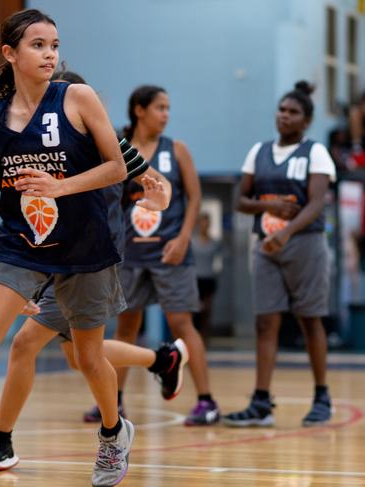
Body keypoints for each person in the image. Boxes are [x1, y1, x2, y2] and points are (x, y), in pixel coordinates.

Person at [0, 10, 157, 487]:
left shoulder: (77, 98)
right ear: (10, 53)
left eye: (54, 45)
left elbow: (117, 170)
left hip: (85, 244)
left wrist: (60, 187)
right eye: (38, 45)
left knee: (88, 358)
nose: (49, 54)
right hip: (21, 241)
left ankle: (112, 433)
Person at [0, 70, 188, 473]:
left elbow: (159, 185)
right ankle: (161, 360)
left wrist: (158, 201)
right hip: (49, 256)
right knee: (77, 355)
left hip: (88, 259)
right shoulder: (27, 143)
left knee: (35, 347)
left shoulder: (106, 141)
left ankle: (2, 439)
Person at [83, 85, 221, 426]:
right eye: (160, 107)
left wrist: (184, 237)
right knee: (126, 324)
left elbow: (193, 197)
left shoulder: (177, 150)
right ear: (139, 110)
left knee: (181, 323)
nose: (166, 114)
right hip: (128, 254)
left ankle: (206, 402)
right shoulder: (116, 145)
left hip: (169, 252)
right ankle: (113, 401)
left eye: (168, 108)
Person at [223, 81, 336, 427]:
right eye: (282, 110)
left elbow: (316, 204)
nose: (285, 116)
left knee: (309, 319)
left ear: (306, 121)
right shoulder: (259, 151)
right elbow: (240, 201)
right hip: (266, 245)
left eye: (293, 112)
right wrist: (268, 205)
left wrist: (286, 232)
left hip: (305, 243)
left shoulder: (315, 152)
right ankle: (260, 401)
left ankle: (321, 396)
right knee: (265, 322)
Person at [191, 212, 223, 341]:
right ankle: (194, 338)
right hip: (195, 280)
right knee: (195, 310)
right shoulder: (192, 242)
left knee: (207, 311)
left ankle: (205, 339)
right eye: (202, 223)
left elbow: (219, 262)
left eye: (207, 223)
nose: (204, 225)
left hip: (209, 279)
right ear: (198, 224)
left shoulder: (215, 243)